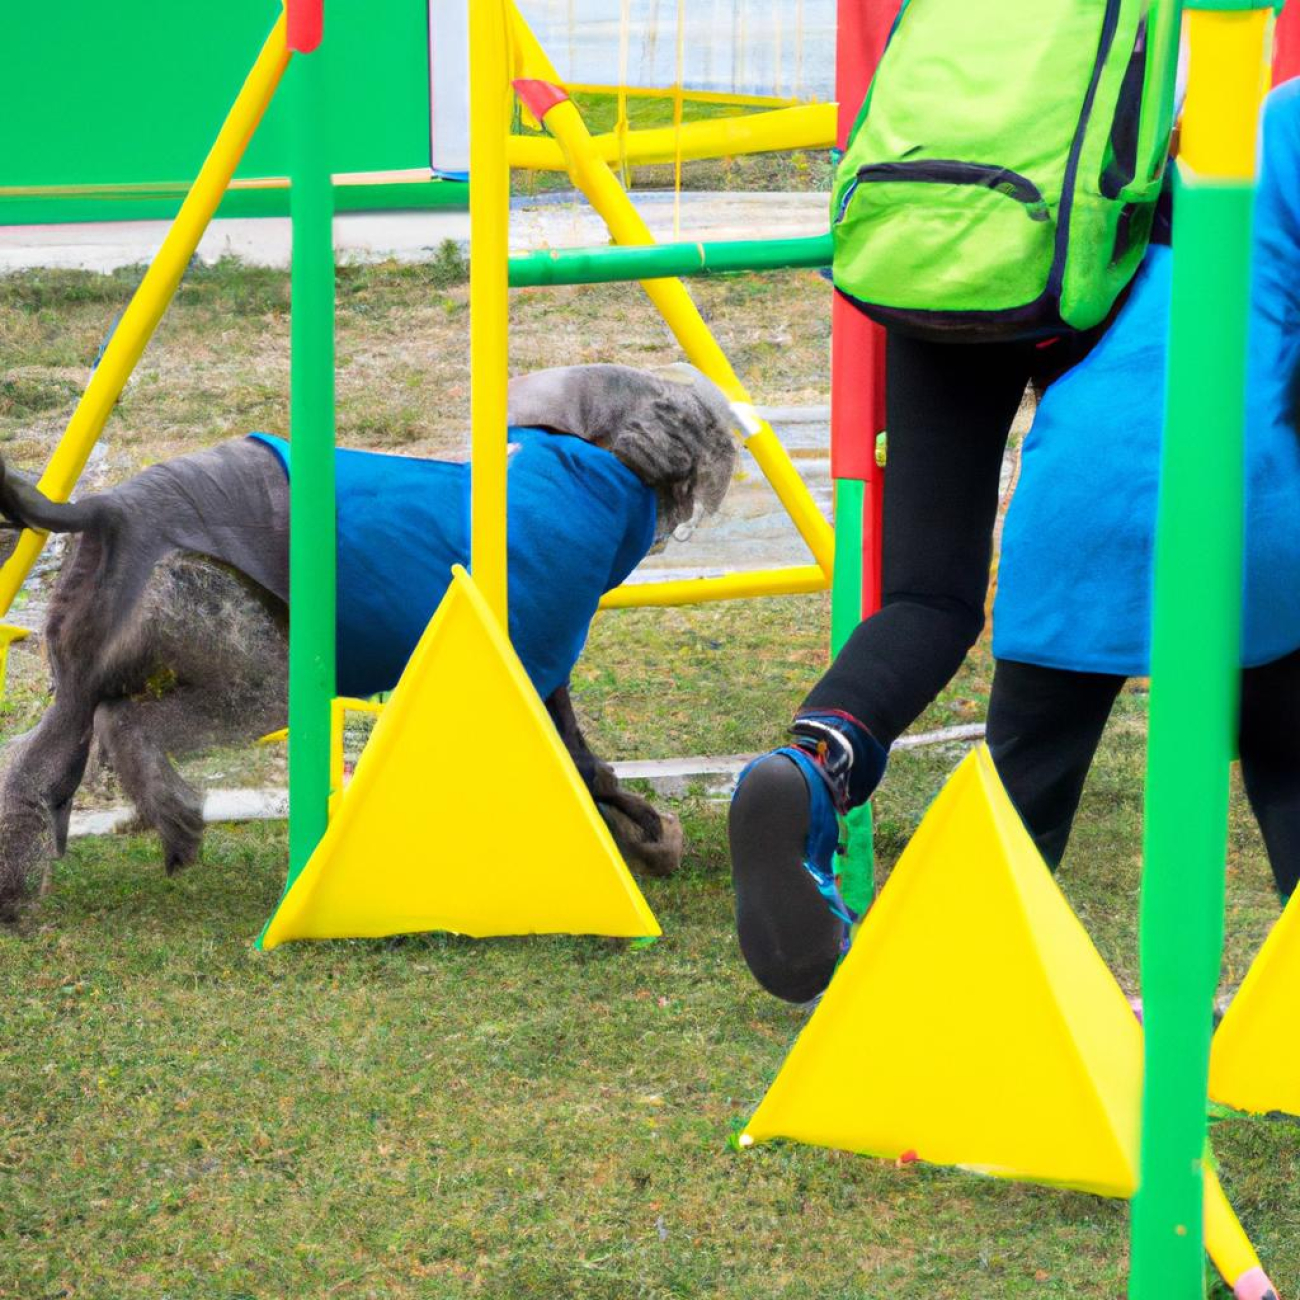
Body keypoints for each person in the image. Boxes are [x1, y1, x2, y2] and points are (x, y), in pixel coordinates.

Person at [728, 77, 1300, 1006]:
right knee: (1287, 744)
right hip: (1232, 470)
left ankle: (819, 768)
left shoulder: (978, 58)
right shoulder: (1264, 128)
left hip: (947, 249)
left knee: (947, 636)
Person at [988, 78, 1300, 904]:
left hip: (1084, 478)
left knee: (1018, 808)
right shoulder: (1290, 121)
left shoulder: (1173, 120)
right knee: (1295, 772)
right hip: (1255, 485)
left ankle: (958, 1001)